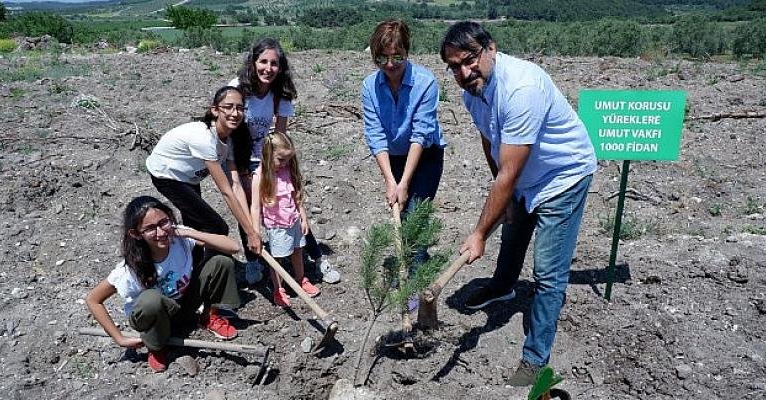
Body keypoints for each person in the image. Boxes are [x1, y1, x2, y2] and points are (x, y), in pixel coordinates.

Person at [440, 21, 598, 386]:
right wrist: (506, 200)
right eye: (454, 66)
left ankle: (535, 359)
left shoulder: (522, 88)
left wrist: (480, 231)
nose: (463, 72)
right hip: (524, 175)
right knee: (511, 234)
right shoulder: (472, 92)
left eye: (469, 60)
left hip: (562, 177)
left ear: (490, 49)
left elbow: (509, 174)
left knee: (548, 273)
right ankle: (502, 286)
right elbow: (489, 140)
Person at [85, 196, 242, 373]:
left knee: (220, 262)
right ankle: (156, 346)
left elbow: (233, 247)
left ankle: (208, 316)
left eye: (163, 222)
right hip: (155, 316)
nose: (160, 232)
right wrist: (119, 338)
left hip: (182, 304)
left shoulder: (179, 240)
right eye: (150, 229)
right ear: (136, 234)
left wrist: (187, 232)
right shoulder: (128, 270)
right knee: (150, 299)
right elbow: (93, 300)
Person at [230, 37, 341, 285]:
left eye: (274, 63)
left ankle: (317, 257)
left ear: (281, 67)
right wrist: (244, 173)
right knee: (248, 207)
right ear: (253, 62)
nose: (268, 68)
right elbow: (230, 131)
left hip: (269, 155)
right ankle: (253, 260)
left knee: (291, 203)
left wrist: (279, 166)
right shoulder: (238, 89)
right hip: (240, 156)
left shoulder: (281, 93)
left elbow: (280, 135)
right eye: (263, 62)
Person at [361, 20, 446, 310]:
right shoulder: (369, 87)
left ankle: (417, 287)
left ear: (407, 53)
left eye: (397, 57)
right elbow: (375, 134)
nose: (390, 64)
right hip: (393, 157)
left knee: (415, 217)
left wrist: (405, 182)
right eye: (382, 58)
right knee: (398, 211)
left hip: (426, 155)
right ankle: (406, 270)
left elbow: (421, 134)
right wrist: (390, 180)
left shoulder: (425, 82)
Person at [146, 86, 261, 267]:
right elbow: (226, 192)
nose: (235, 113)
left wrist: (251, 230)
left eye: (240, 108)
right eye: (228, 107)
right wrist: (251, 233)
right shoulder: (205, 138)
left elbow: (236, 185)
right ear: (215, 110)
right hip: (167, 174)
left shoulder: (229, 139)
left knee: (196, 225)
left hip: (189, 176)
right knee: (216, 227)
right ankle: (207, 271)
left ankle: (191, 267)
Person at [250, 132, 319, 307]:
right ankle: (278, 288)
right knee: (278, 258)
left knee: (297, 251)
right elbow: (256, 206)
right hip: (277, 225)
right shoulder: (260, 176)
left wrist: (304, 218)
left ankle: (300, 279)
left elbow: (296, 197)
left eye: (288, 160)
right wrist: (255, 231)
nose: (285, 164)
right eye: (280, 159)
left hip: (293, 220)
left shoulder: (287, 171)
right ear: (267, 155)